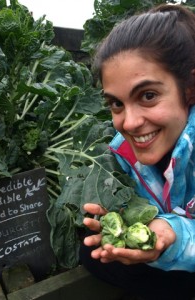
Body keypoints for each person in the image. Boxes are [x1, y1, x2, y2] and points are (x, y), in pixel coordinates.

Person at [79, 4, 195, 300]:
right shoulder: (120, 154)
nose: (128, 123)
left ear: (190, 88)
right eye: (116, 103)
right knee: (89, 251)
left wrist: (173, 236)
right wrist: (123, 216)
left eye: (148, 95)